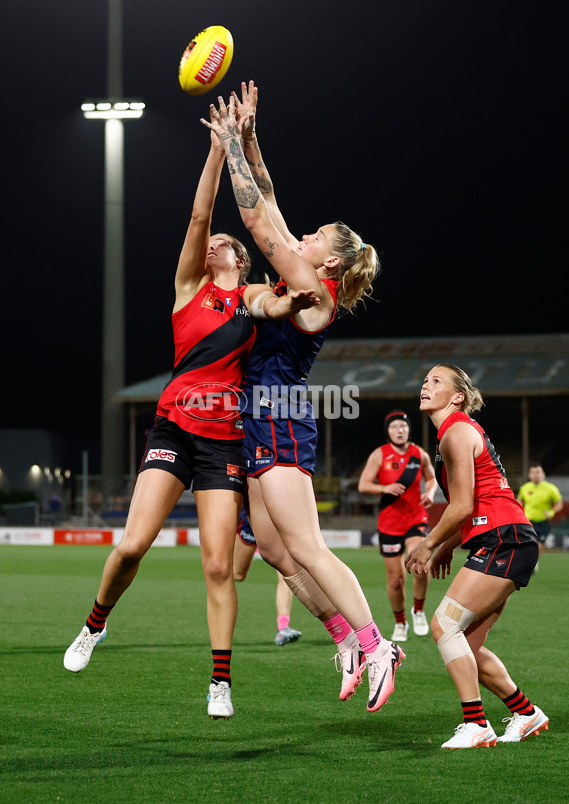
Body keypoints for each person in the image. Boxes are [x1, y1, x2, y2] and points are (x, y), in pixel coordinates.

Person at [63, 130, 319, 721]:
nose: (213, 247)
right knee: (131, 546)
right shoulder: (188, 290)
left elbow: (280, 303)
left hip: (223, 441)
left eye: (225, 245)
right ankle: (94, 624)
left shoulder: (251, 297)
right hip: (173, 429)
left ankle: (220, 681)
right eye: (212, 243)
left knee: (217, 563)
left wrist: (295, 301)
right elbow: (201, 212)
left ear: (241, 259)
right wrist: (215, 151)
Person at [202, 83, 405, 714]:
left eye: (316, 235)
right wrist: (252, 136)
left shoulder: (314, 289)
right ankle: (343, 634)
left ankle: (379, 646)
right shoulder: (306, 271)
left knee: (308, 546)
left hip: (283, 416)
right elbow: (273, 203)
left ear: (333, 262)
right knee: (271, 548)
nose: (305, 235)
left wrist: (229, 144)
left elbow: (260, 221)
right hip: (258, 417)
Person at [406, 364, 549, 748]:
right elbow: (471, 505)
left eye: (436, 381)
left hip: (505, 539)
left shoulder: (455, 432)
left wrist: (429, 543)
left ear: (457, 397)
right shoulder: (454, 434)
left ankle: (477, 724)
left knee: (443, 626)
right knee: (464, 646)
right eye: (425, 380)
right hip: (509, 538)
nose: (426, 385)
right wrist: (451, 545)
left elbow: (462, 506)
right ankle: (527, 713)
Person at [358, 410, 437, 642]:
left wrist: (430, 492)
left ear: (409, 429)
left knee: (421, 564)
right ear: (388, 432)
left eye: (403, 426)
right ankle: (400, 622)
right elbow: (363, 484)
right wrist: (384, 488)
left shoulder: (419, 454)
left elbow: (431, 478)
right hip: (390, 523)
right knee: (395, 580)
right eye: (394, 427)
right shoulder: (379, 455)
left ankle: (419, 610)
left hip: (416, 518)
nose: (400, 430)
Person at [233, 507, 302, 646]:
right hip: (250, 512)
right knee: (237, 574)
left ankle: (283, 627)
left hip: (279, 514)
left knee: (286, 572)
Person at [517, 463, 563, 569]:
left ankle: (534, 562)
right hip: (527, 521)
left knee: (539, 544)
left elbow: (559, 504)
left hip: (542, 522)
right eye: (533, 472)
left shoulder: (551, 488)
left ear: (543, 474)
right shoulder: (525, 488)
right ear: (529, 475)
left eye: (538, 472)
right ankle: (528, 562)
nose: (536, 475)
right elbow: (519, 502)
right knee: (525, 543)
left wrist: (551, 512)